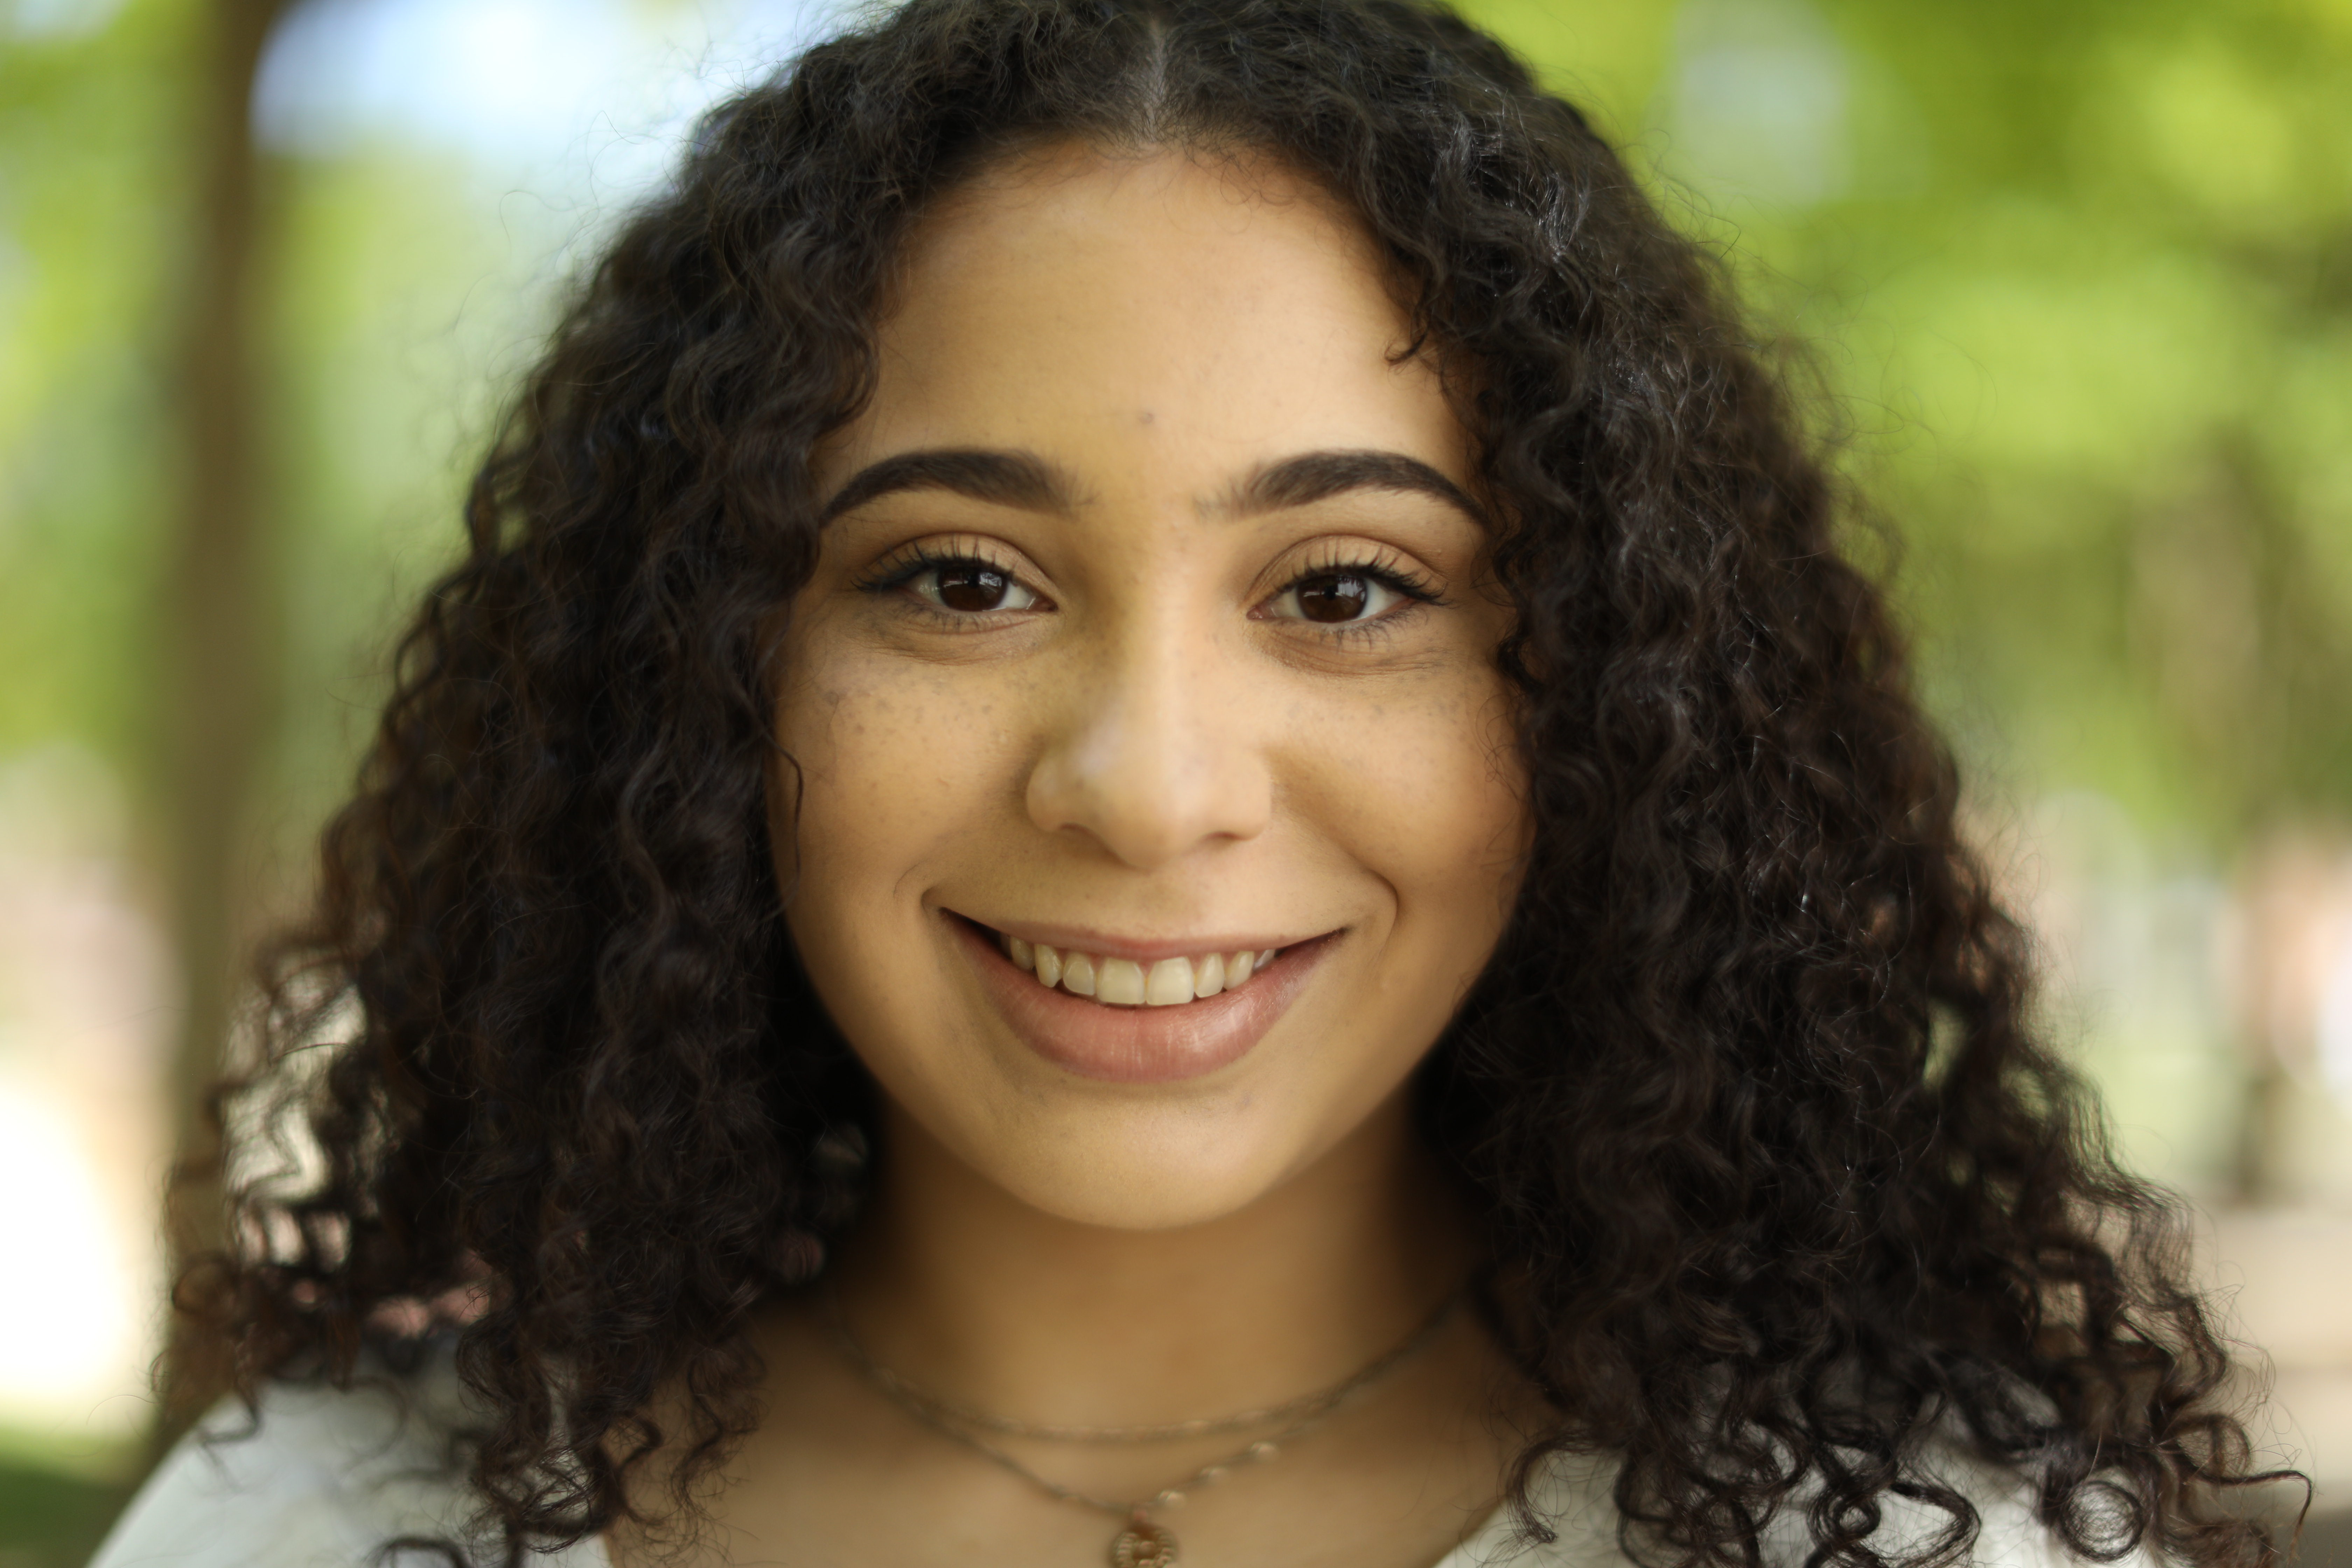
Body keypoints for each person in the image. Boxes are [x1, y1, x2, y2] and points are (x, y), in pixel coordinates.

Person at [93, 2, 2289, 1565]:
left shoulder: (1928, 1542)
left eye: (1347, 590)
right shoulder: (311, 1527)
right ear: (687, 684)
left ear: (1618, 709)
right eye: (960, 578)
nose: (1149, 792)